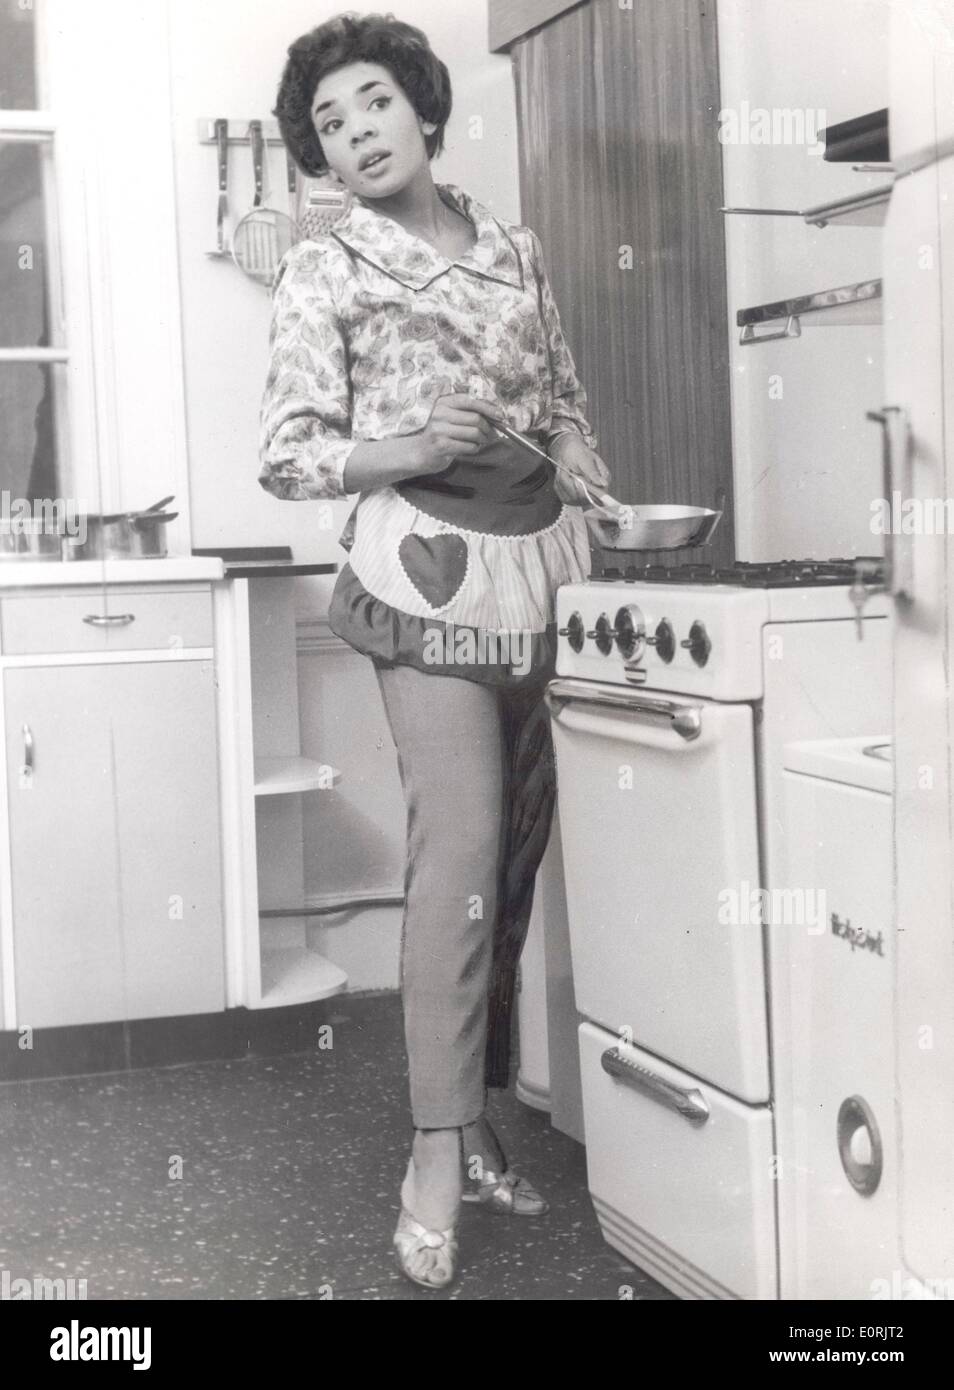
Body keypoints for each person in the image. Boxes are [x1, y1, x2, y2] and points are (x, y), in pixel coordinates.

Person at [261, 11, 611, 1291]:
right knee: (457, 848)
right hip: (420, 570)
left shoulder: (512, 248)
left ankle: (476, 1124)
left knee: (511, 860)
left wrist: (574, 457)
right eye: (329, 123)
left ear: (422, 109)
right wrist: (406, 447)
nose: (352, 133)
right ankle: (428, 1145)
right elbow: (291, 448)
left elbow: (560, 402)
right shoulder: (325, 267)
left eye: (371, 105)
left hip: (538, 570)